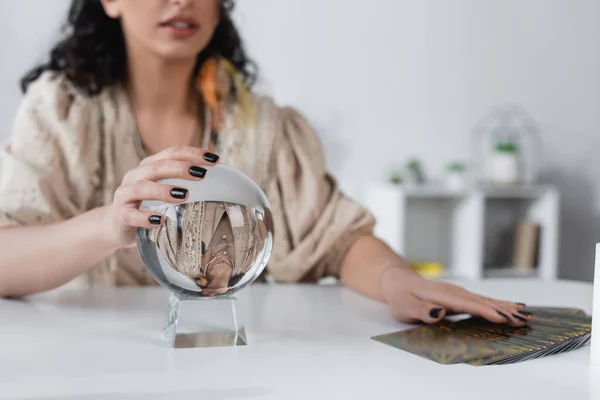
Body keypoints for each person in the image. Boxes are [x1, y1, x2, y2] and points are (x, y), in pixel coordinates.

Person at [0, 0, 531, 327]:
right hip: (88, 370)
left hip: (241, 370)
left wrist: (396, 280)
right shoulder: (61, 114)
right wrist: (109, 225)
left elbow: (335, 235)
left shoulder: (265, 125)